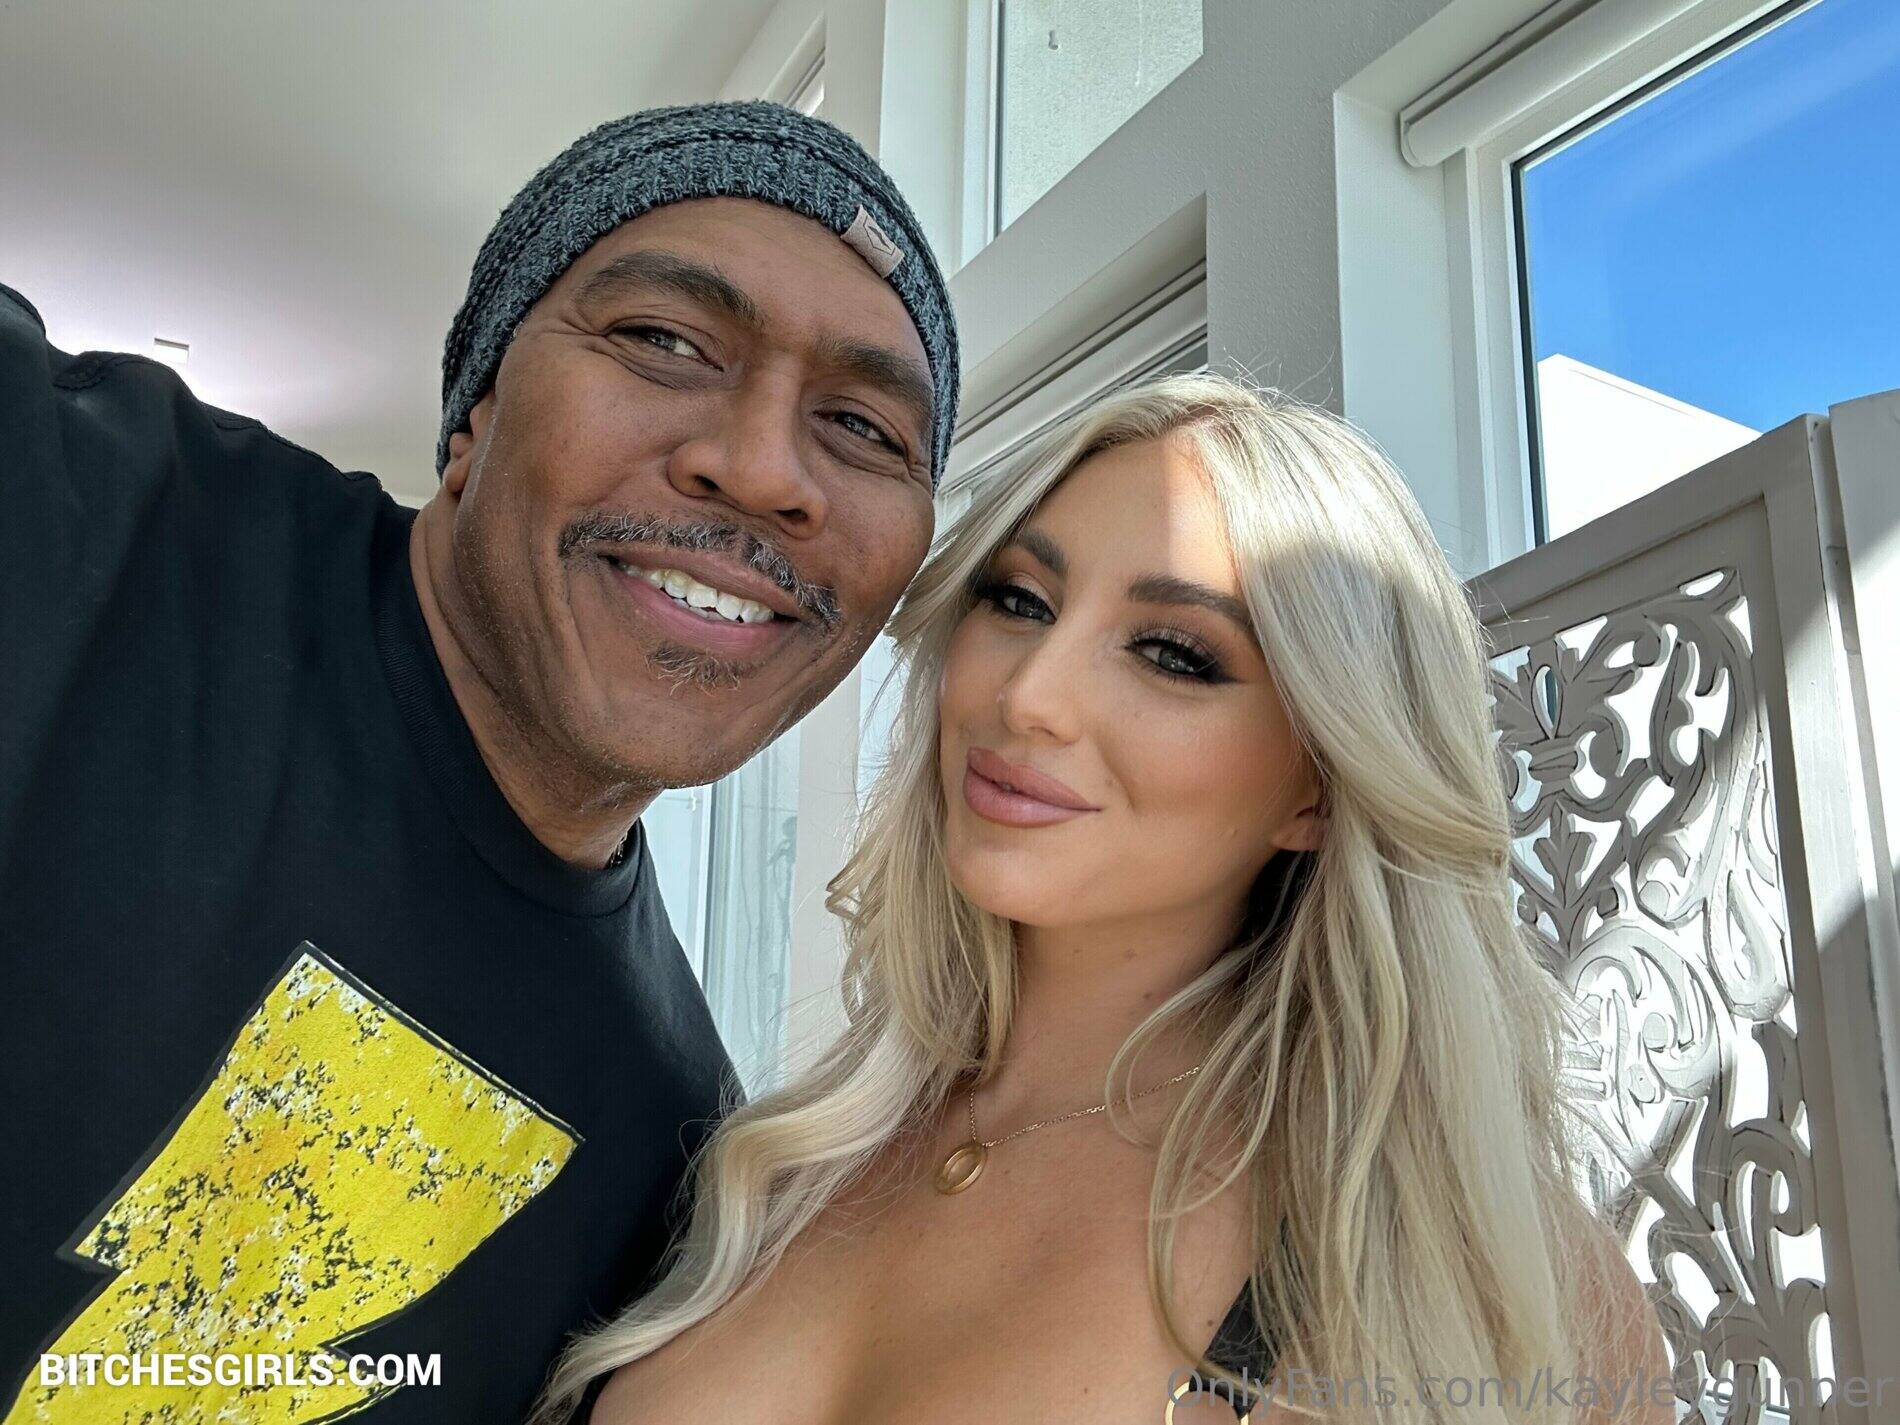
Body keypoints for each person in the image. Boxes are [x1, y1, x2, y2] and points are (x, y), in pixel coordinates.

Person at [0, 100, 958, 1424]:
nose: (758, 468)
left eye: (863, 428)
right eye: (665, 341)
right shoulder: (64, 505)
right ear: (475, 413)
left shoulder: (672, 1168)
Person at [540, 373, 1675, 1425]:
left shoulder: (1476, 1276)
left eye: (1174, 654)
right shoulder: (779, 1164)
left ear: (1320, 788)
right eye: (1021, 600)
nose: (1028, 695)